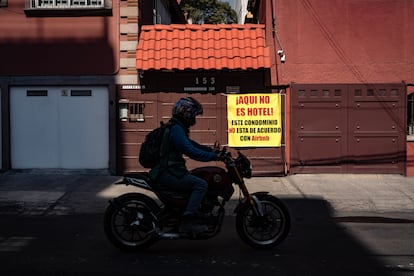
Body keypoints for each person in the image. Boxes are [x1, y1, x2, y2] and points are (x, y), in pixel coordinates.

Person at [149, 97, 220, 233]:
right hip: (168, 172)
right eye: (193, 114)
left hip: (171, 171)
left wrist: (210, 150)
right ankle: (188, 219)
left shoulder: (177, 128)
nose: (194, 118)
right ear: (186, 113)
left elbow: (191, 144)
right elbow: (190, 151)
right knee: (201, 185)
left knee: (198, 179)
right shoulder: (176, 129)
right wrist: (215, 157)